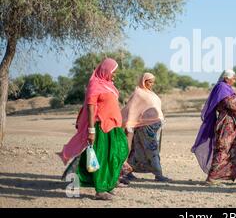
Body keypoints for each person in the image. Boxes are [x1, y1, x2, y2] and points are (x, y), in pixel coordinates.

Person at [59, 58, 129, 201]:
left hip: (114, 127)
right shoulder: (95, 85)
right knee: (103, 158)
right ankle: (101, 190)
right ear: (105, 71)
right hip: (101, 127)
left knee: (121, 152)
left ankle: (106, 183)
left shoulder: (109, 85)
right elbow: (91, 109)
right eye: (113, 71)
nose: (114, 75)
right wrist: (91, 131)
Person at [192, 69, 236, 186]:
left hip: (233, 126)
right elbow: (229, 104)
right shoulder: (222, 87)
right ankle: (211, 178)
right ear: (226, 78)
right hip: (226, 125)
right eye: (233, 79)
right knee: (223, 149)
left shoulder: (225, 88)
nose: (234, 81)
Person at [121, 73, 171, 182]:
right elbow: (132, 109)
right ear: (144, 81)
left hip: (154, 128)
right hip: (144, 128)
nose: (151, 84)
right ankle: (159, 174)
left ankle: (128, 172)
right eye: (149, 81)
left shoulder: (151, 94)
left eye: (153, 82)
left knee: (139, 151)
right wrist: (130, 124)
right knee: (152, 150)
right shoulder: (138, 93)